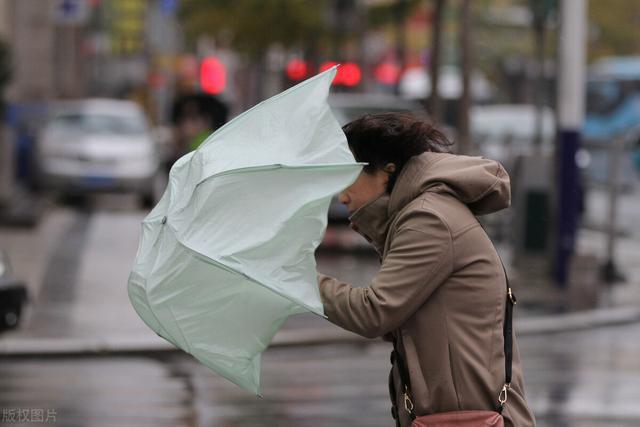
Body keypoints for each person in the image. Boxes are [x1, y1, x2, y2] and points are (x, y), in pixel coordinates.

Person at [317, 113, 536, 426]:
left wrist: (299, 280)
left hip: (469, 419)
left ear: (386, 171)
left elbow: (373, 312)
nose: (341, 195)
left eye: (348, 177)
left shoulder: (428, 220)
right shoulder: (420, 214)